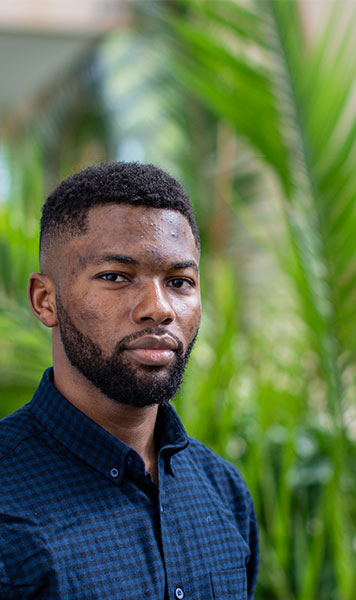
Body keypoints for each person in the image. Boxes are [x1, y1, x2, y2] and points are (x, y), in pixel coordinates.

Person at [0, 162, 259, 600]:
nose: (158, 308)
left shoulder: (225, 492)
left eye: (180, 281)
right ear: (46, 301)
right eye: (116, 277)